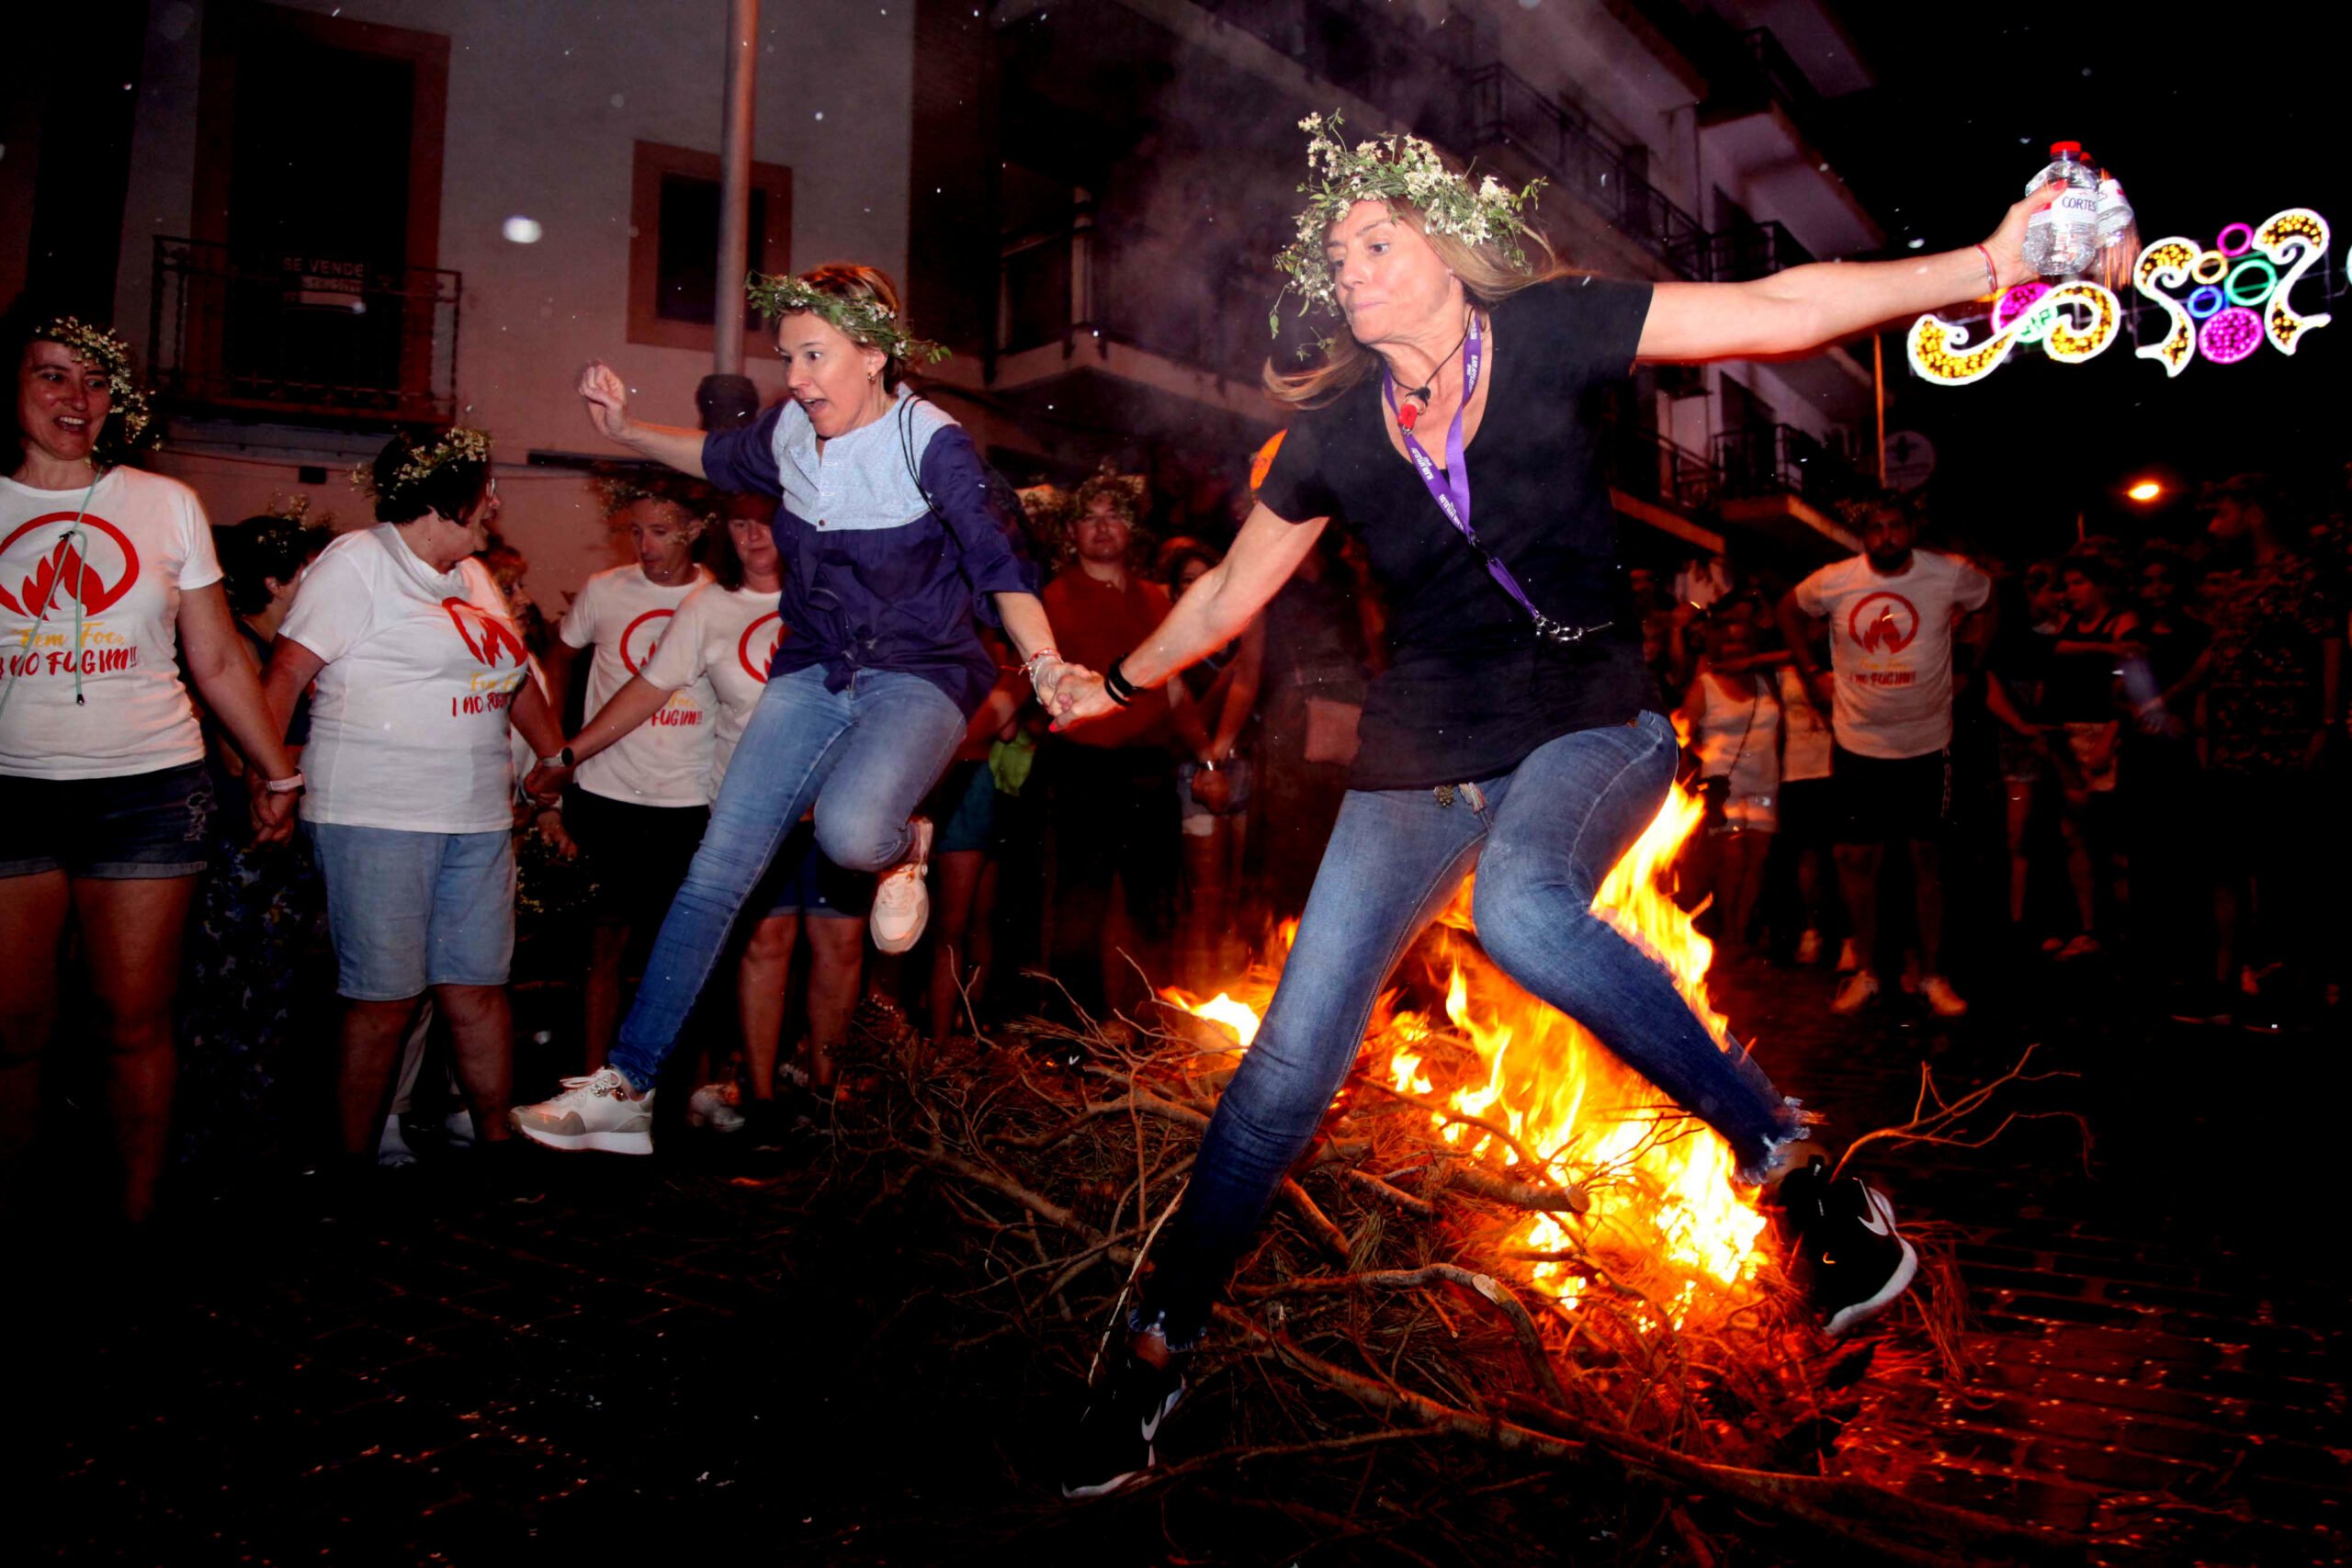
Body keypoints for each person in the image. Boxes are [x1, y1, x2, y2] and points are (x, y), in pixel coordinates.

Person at [1050, 112, 2048, 1494]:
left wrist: (1985, 263)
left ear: (1448, 257)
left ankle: (1809, 1180)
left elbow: (1774, 305)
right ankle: (1157, 1349)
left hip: (1593, 719)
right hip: (1421, 750)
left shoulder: (1560, 329)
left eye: (1376, 238)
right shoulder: (1330, 435)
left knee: (1523, 906)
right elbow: (1226, 593)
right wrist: (1107, 674)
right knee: (1284, 1066)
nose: (1349, 263)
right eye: (1336, 249)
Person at [510, 264, 1069, 1150]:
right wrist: (623, 429)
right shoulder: (788, 434)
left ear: (877, 353)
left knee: (852, 834)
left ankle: (902, 845)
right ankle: (630, 1083)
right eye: (788, 357)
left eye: (815, 356)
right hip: (812, 669)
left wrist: (1043, 662)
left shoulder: (932, 443)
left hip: (921, 673)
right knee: (716, 866)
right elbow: (710, 453)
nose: (797, 378)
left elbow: (1000, 568)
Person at [0, 316, 302, 1224]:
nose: (73, 399)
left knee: (133, 1021)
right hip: (11, 792)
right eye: (51, 376)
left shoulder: (161, 503)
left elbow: (214, 659)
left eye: (92, 381)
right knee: (13, 1030)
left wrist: (275, 771)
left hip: (146, 791)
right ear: (13, 387)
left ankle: (137, 1213)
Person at [260, 428, 567, 1170]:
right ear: (442, 497)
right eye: (484, 487)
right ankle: (351, 1162)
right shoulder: (360, 562)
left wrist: (553, 756)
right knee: (384, 998)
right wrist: (268, 780)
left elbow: (511, 673)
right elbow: (282, 679)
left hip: (475, 816)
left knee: (478, 987)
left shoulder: (471, 573)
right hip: (376, 814)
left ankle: (495, 1146)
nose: (495, 501)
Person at [1779, 496, 1991, 1019]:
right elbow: (1788, 609)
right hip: (1858, 744)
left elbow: (1991, 601)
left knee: (1927, 861)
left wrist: (1972, 666)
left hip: (1927, 742)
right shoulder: (1835, 579)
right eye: (1876, 528)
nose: (1887, 536)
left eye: (1896, 526)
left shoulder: (1949, 574)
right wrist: (1812, 673)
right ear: (1864, 534)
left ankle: (1933, 975)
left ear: (1911, 529)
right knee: (1857, 860)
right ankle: (1869, 971)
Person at [542, 479, 717, 1073]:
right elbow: (560, 657)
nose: (644, 545)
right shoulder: (605, 591)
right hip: (609, 794)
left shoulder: (720, 598)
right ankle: (592, 1076)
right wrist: (557, 746)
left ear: (695, 530)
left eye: (660, 532)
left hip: (689, 798)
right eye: (635, 530)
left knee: (681, 953)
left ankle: (672, 1084)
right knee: (604, 948)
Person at [175, 511, 330, 1176]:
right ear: (274, 581)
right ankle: (218, 1151)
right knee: (233, 1005)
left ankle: (240, 1144)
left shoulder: (273, 649)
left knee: (260, 1003)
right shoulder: (236, 649)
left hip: (262, 851)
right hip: (239, 855)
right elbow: (244, 758)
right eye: (311, 573)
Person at [1037, 470, 1215, 1017]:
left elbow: (1177, 690)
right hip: (1081, 770)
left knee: (1155, 904)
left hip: (1148, 771)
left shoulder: (1155, 601)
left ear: (1130, 528)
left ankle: (1154, 1028)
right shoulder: (1051, 598)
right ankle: (1076, 1039)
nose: (1101, 527)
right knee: (1078, 907)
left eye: (1112, 515)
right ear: (1072, 532)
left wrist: (1209, 758)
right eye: (1089, 518)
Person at [2193, 474, 2342, 1028]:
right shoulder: (2234, 580)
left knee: (2290, 870)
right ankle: (2230, 984)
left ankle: (2296, 988)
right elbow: (2219, 656)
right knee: (2230, 867)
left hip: (2284, 743)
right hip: (2236, 744)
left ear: (2252, 512)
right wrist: (2178, 701)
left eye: (2222, 511)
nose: (2213, 525)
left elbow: (2330, 642)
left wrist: (2326, 722)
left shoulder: (2304, 573)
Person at [1159, 536, 1264, 987]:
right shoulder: (1170, 630)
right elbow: (1178, 702)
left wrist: (1220, 754)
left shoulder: (1248, 616)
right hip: (1192, 770)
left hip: (1241, 764)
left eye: (1207, 575)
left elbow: (1251, 679)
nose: (1199, 585)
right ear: (1176, 590)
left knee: (1239, 893)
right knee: (1202, 897)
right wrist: (1208, 762)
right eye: (1188, 580)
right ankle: (1197, 1001)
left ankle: (1230, 995)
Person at [2041, 549, 2137, 960]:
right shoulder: (2069, 624)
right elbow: (2055, 653)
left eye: (2079, 582)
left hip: (2105, 733)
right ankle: (2088, 925)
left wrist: (2111, 736)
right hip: (2068, 734)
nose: (2071, 591)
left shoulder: (2123, 621)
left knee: (2115, 837)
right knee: (2074, 835)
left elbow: (2127, 680)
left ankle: (2126, 929)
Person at [1678, 616, 1780, 958]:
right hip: (1726, 783)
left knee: (1758, 859)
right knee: (1732, 857)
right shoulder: (1706, 685)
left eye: (1741, 641)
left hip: (1765, 778)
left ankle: (1741, 927)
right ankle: (1730, 933)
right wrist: (1707, 758)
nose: (1734, 647)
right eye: (1728, 642)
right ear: (1718, 647)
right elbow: (1684, 732)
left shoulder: (1766, 681)